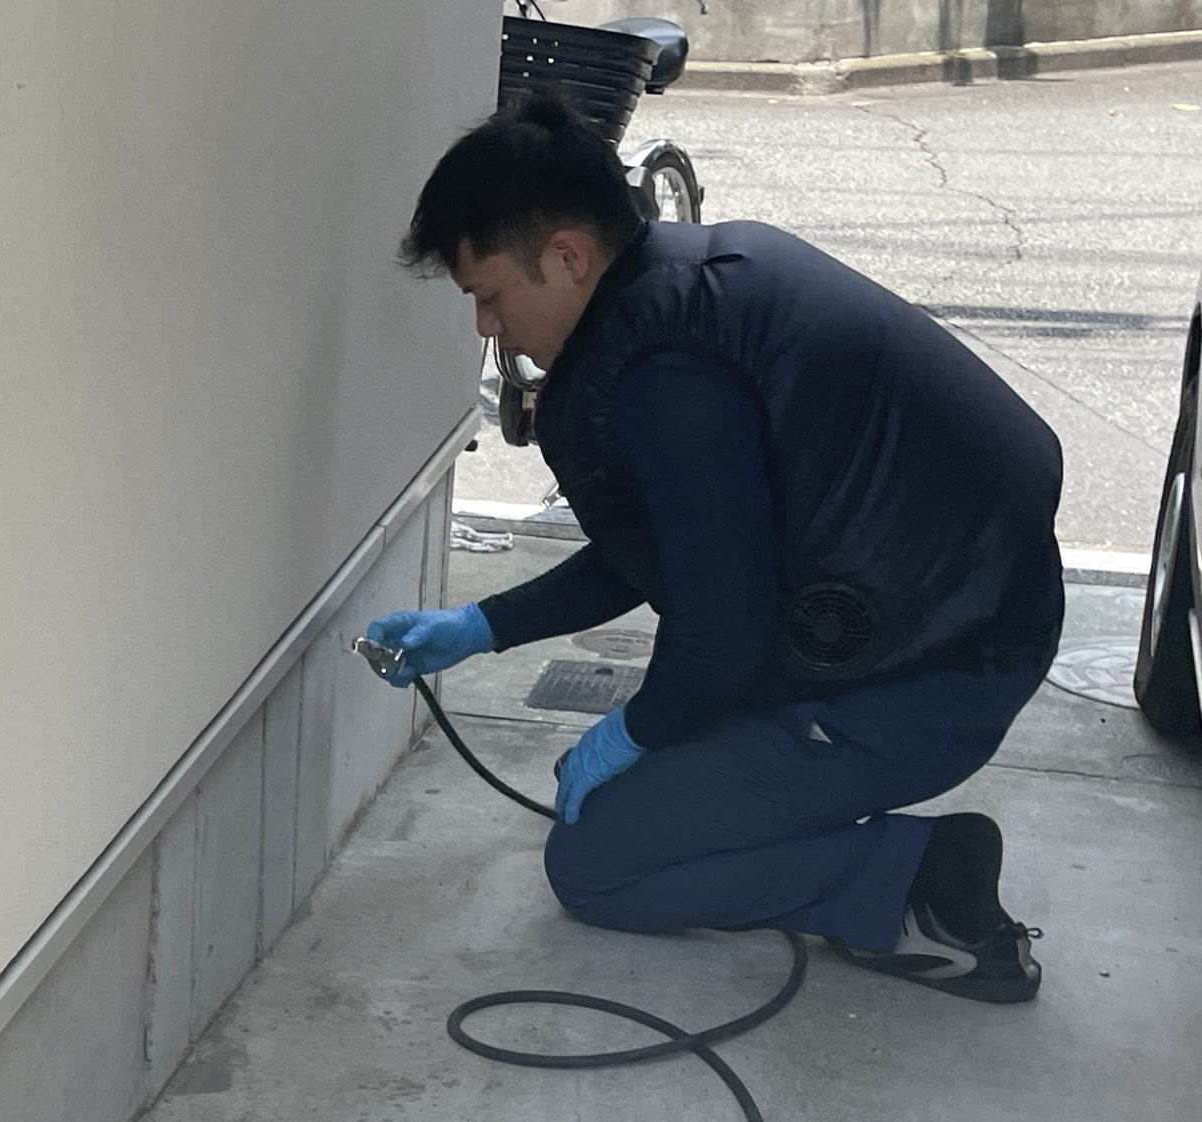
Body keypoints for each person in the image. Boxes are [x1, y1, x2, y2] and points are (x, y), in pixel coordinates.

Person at [369, 93, 1062, 1003]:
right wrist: (482, 625)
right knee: (647, 787)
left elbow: (721, 634)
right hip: (957, 612)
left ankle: (916, 885)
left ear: (567, 256)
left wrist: (631, 731)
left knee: (596, 863)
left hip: (928, 673)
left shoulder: (665, 377)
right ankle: (870, 845)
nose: (487, 328)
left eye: (489, 296)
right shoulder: (687, 284)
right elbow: (671, 543)